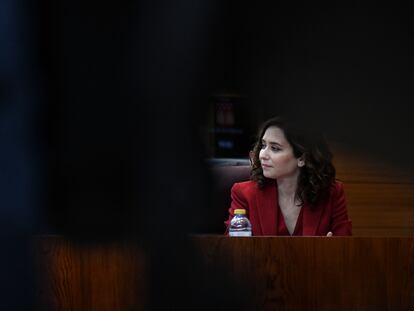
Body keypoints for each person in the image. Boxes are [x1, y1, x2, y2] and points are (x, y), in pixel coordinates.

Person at [225, 116, 352, 236]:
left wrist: (332, 249)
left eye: (275, 148)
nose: (262, 154)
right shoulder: (244, 194)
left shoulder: (332, 193)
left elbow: (345, 249)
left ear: (302, 158)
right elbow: (231, 249)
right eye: (263, 145)